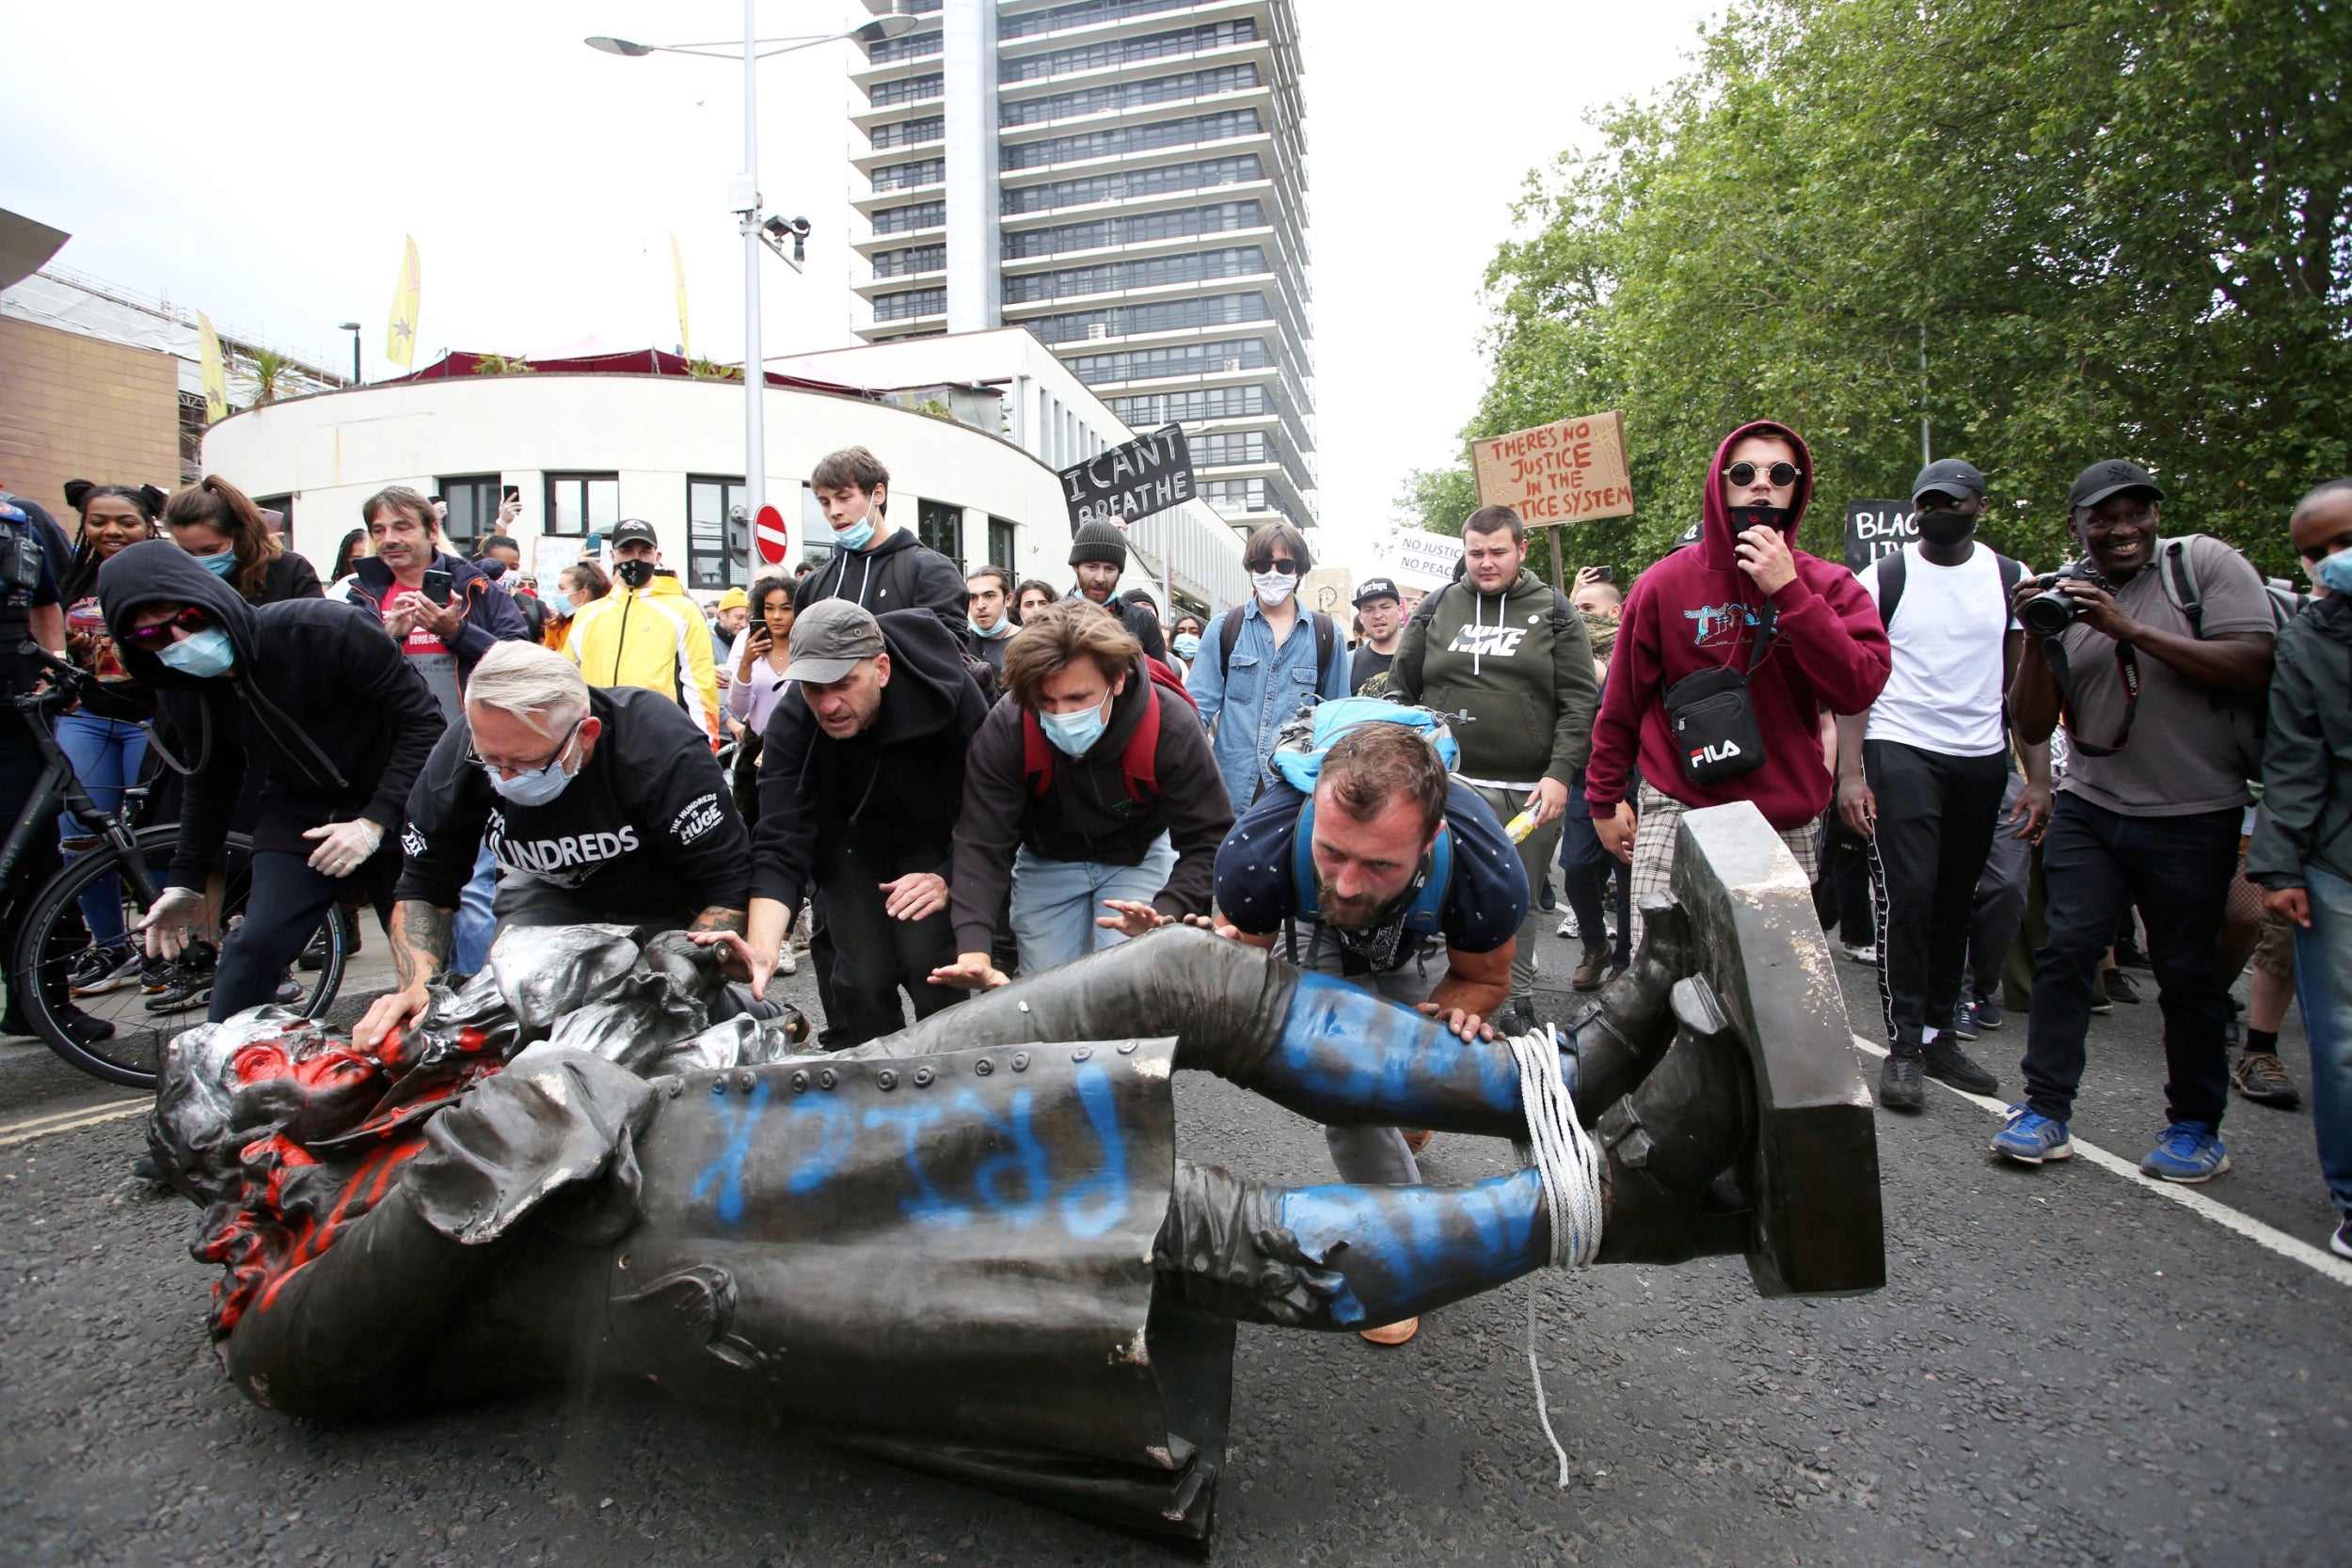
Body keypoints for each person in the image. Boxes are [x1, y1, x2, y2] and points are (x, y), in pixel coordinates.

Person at [1993, 460, 2278, 1180]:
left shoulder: (2202, 566)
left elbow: (2252, 663)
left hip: (2196, 807)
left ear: (2154, 513)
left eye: (2135, 512)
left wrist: (2126, 628)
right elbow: (2029, 718)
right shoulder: (2063, 595)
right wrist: (2033, 635)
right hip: (2093, 801)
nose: (2122, 528)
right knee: (2067, 951)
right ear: (2076, 527)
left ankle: (2194, 1126)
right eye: (2103, 517)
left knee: (2185, 972)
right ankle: (2044, 1109)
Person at [1208, 721, 1530, 1342]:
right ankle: (1402, 1258)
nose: (1349, 882)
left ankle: (1407, 1109)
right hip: (1316, 925)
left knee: (1410, 1075)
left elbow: (1485, 978)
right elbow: (1245, 979)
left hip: (1428, 925)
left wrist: (1441, 1030)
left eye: (1376, 861)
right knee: (1346, 1090)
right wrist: (1213, 964)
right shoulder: (1258, 851)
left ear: (1432, 837)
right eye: (1333, 851)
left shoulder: (1484, 869)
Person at [351, 642, 755, 1051]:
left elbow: (730, 885)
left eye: (526, 763)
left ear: (586, 734)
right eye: (492, 760)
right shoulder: (462, 755)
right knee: (510, 1006)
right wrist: (419, 986)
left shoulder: (657, 747)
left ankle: (749, 1016)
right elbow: (424, 885)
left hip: (665, 897)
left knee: (644, 1018)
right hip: (552, 889)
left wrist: (683, 978)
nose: (505, 777)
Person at [1583, 421, 1893, 955]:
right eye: (1745, 472)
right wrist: (1604, 799)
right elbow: (1623, 701)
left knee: (1770, 1000)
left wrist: (1791, 592)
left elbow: (1859, 687)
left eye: (1780, 474)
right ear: (1720, 482)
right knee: (1657, 980)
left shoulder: (1829, 584)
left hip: (1782, 816)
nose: (1761, 485)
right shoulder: (1664, 583)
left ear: (1798, 488)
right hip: (1678, 803)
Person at [101, 541, 442, 1022]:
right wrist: (185, 884)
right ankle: (220, 1073)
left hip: (403, 805)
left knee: (427, 960)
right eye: (154, 636)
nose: (179, 640)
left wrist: (374, 820)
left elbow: (424, 725)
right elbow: (211, 779)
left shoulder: (326, 629)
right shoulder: (183, 688)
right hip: (299, 815)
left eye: (192, 620)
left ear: (213, 600)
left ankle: (462, 1069)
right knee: (255, 946)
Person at [1835, 459, 2046, 1110]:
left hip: (1980, 757)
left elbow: (2025, 688)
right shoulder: (1885, 576)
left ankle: (1939, 1034)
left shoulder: (2011, 579)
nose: (1938, 512)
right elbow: (1855, 680)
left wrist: (2037, 776)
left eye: (1952, 502)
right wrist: (1849, 772)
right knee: (1911, 894)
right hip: (1901, 748)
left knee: (1958, 897)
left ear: (1980, 505)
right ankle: (1903, 1047)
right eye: (1926, 502)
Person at [932, 601, 1232, 987]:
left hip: (1138, 855)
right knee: (1047, 992)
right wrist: (973, 947)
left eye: (1077, 699)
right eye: (1047, 702)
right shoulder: (1008, 726)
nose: (1060, 714)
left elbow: (1210, 837)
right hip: (1047, 857)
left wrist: (1165, 912)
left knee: (1128, 984)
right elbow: (982, 839)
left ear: (1118, 680)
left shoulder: (1171, 726)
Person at [739, 601, 987, 1044]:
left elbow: (989, 810)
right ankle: (871, 1080)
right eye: (814, 689)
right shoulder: (794, 721)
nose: (829, 704)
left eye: (843, 684)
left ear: (882, 669)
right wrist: (762, 949)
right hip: (844, 841)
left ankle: (956, 1065)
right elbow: (779, 838)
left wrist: (948, 878)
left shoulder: (946, 693)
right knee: (862, 977)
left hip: (933, 834)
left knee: (929, 961)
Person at [1392, 506, 1598, 1030]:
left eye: (1497, 552)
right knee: (1433, 886)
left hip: (1529, 791)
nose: (1485, 563)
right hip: (1448, 783)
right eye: (1475, 552)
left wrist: (1560, 774)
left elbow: (1579, 702)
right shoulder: (1438, 605)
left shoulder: (1555, 611)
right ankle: (1433, 990)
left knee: (1515, 897)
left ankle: (1517, 998)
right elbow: (1400, 689)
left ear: (1522, 550)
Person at [2246, 480, 2352, 1254]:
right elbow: (2294, 760)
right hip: (2334, 864)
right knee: (2342, 1041)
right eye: (2314, 553)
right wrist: (2279, 867)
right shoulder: (2311, 637)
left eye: (2341, 543)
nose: (2328, 563)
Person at [53, 482, 165, 997]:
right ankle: (111, 946)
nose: (111, 531)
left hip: (152, 719)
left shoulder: (165, 569)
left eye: (126, 521)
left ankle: (165, 950)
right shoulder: (70, 576)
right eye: (99, 521)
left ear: (148, 525)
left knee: (153, 834)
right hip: (88, 716)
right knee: (80, 831)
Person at [0, 485, 91, 1041]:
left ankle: (40, 1005)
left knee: (36, 859)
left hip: (15, 720)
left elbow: (44, 602)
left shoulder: (20, 520)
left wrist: (54, 666)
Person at [1187, 521, 1350, 812]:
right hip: (1229, 791)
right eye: (1263, 565)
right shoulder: (1225, 628)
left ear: (1299, 570)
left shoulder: (1326, 634)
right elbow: (1195, 713)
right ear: (1251, 569)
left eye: (1284, 565)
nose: (1273, 574)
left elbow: (1338, 724)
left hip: (1295, 794)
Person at [562, 519, 723, 749]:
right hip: (595, 739)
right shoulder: (587, 614)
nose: (635, 559)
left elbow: (699, 684)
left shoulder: (682, 610)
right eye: (626, 551)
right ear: (613, 556)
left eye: (644, 551)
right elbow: (566, 679)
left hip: (653, 736)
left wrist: (705, 746)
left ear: (657, 557)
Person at [793, 447, 968, 640]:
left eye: (844, 498)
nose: (834, 511)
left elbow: (947, 655)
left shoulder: (928, 569)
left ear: (878, 494)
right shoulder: (813, 584)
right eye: (825, 502)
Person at [1556, 569, 1631, 989]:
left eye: (1589, 609)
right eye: (1577, 609)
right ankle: (1595, 945)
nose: (1581, 617)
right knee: (1578, 868)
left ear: (1615, 611)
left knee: (1627, 873)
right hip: (1586, 777)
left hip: (1631, 780)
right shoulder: (1571, 651)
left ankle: (1623, 962)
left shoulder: (1633, 646)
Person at [164, 475, 322, 604]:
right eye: (188, 552)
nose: (201, 560)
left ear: (240, 534)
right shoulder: (175, 582)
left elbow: (318, 632)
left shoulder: (290, 570)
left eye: (210, 550)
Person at [1061, 521, 1169, 660]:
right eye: (1092, 567)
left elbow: (1160, 678)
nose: (1100, 578)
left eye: (1109, 569)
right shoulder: (1052, 619)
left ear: (1119, 571)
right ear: (1076, 567)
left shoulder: (1143, 621)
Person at [724, 576, 799, 738]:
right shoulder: (751, 647)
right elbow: (739, 709)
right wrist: (746, 663)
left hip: (800, 750)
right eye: (769, 608)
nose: (777, 616)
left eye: (786, 608)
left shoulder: (806, 650)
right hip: (757, 751)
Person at [540, 560, 609, 656]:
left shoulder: (605, 625)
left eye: (562, 588)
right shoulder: (555, 627)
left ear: (582, 594)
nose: (557, 594)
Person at [1347, 577, 1404, 693]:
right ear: (1361, 617)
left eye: (1385, 607)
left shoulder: (1423, 658)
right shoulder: (1347, 665)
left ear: (1400, 611)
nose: (1377, 615)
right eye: (1369, 609)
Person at [964, 564, 1017, 676]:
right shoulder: (961, 644)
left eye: (990, 596)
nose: (980, 605)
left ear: (1008, 600)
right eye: (973, 598)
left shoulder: (1029, 643)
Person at [1168, 611, 1205, 679]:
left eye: (1193, 632)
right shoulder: (1167, 666)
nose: (1186, 635)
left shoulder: (1210, 670)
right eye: (1181, 632)